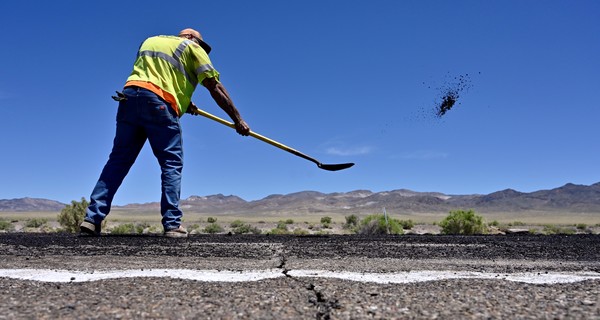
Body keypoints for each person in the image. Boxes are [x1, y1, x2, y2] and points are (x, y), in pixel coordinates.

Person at [80, 28, 250, 238]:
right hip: (160, 104)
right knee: (171, 163)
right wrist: (238, 120)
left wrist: (184, 101)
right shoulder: (192, 47)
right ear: (190, 38)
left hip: (129, 98)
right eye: (200, 43)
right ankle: (172, 224)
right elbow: (214, 86)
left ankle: (92, 219)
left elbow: (156, 77)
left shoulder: (150, 40)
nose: (201, 48)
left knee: (118, 161)